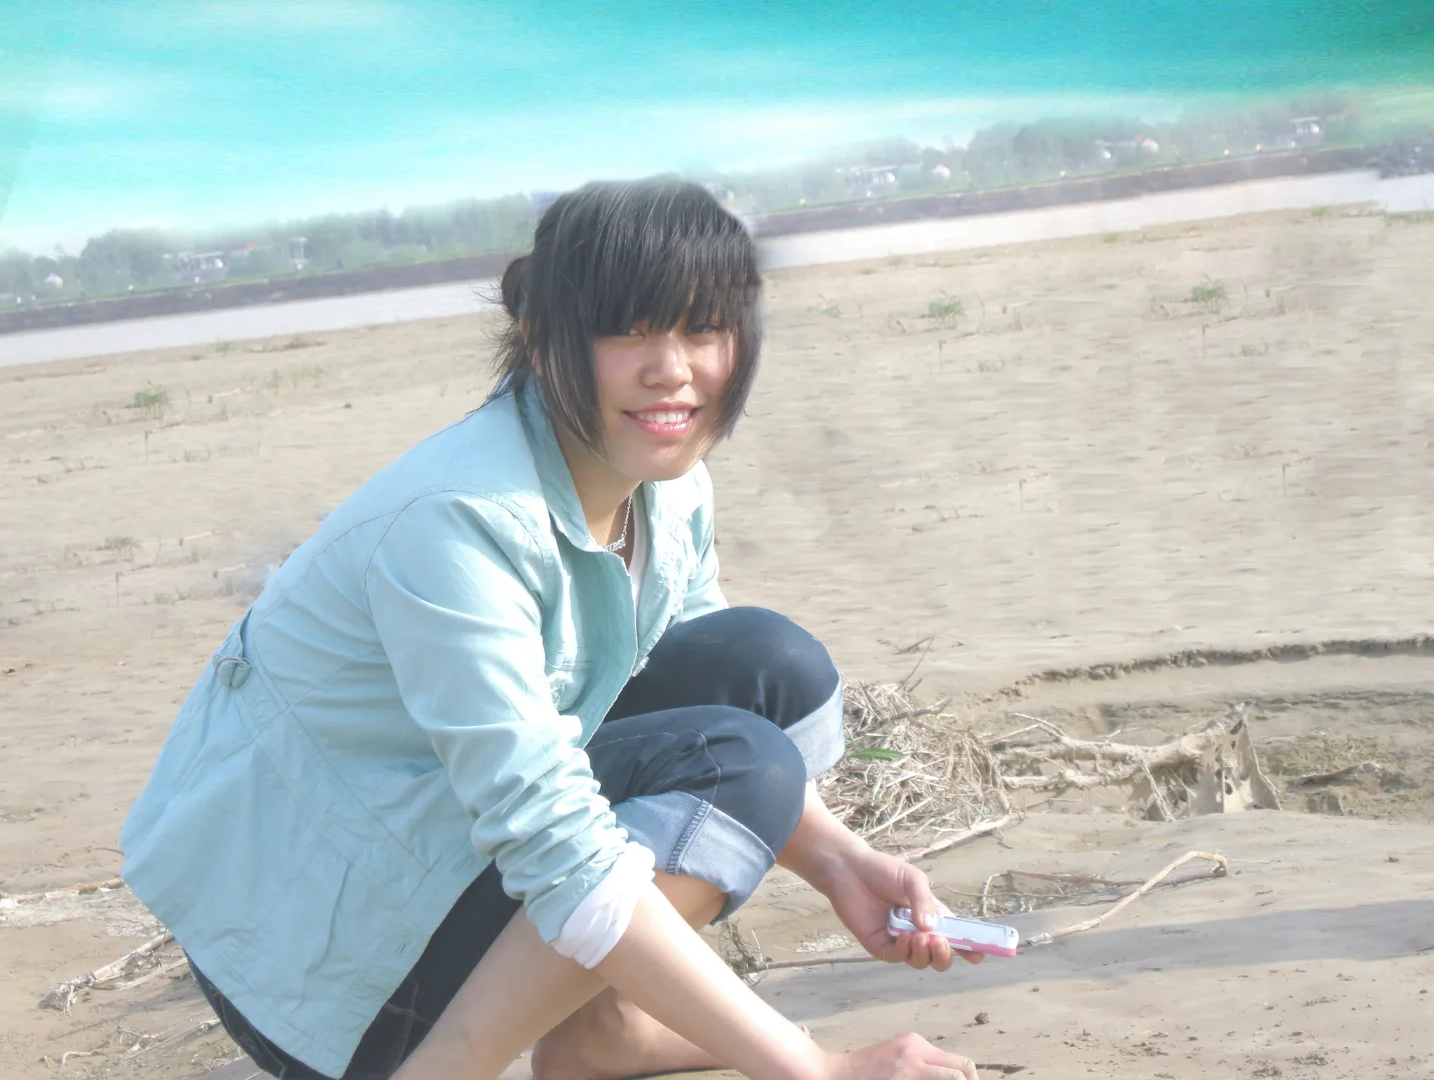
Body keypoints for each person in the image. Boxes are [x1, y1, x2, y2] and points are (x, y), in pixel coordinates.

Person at [119, 179, 982, 1080]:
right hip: (315, 970)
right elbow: (554, 835)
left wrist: (841, 862)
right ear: (540, 337)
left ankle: (602, 1034)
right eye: (627, 331)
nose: (671, 369)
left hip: (439, 849)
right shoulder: (458, 521)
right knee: (738, 767)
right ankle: (444, 1067)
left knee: (766, 667)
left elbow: (690, 684)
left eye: (702, 328)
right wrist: (818, 1069)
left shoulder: (668, 484)